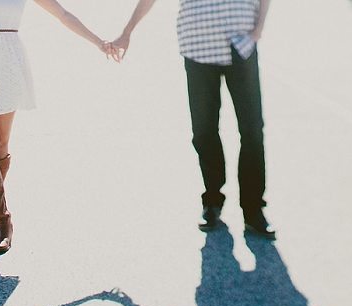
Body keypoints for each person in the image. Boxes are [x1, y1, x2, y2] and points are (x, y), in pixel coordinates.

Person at [0, 0, 117, 254]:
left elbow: (63, 13)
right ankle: (3, 222)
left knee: (1, 147)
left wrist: (99, 42)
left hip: (8, 63)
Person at [111, 0, 275, 239]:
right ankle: (212, 202)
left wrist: (258, 29)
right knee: (204, 130)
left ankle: (253, 210)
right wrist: (127, 31)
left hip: (242, 44)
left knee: (252, 131)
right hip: (198, 46)